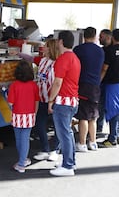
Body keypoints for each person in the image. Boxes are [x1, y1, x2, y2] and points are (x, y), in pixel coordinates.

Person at [19, 39, 60, 161]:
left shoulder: (57, 63)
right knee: (39, 123)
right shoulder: (41, 60)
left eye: (45, 47)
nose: (43, 48)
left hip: (54, 99)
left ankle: (55, 150)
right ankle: (45, 149)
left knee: (57, 125)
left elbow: (58, 83)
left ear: (50, 48)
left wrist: (52, 100)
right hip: (41, 98)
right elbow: (30, 58)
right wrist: (18, 54)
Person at [48, 30, 80, 176]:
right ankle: (69, 161)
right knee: (68, 133)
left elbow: (57, 82)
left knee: (64, 134)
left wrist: (50, 100)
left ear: (60, 42)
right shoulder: (75, 58)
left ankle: (68, 165)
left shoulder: (63, 59)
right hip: (72, 100)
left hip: (63, 101)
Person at [73, 27, 104, 152]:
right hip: (96, 85)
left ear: (83, 36)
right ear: (95, 36)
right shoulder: (100, 51)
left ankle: (82, 143)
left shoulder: (78, 49)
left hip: (83, 84)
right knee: (93, 116)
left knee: (83, 116)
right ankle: (93, 142)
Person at [7, 60, 40, 173]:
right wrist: (34, 113)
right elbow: (36, 101)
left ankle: (22, 162)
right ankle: (23, 161)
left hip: (17, 114)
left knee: (19, 139)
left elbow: (10, 103)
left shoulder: (14, 85)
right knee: (25, 139)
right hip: (30, 114)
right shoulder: (34, 85)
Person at [97, 29, 112, 134]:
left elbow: (105, 68)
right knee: (100, 105)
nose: (99, 39)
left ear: (108, 37)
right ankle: (99, 126)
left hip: (108, 82)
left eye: (101, 37)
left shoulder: (110, 51)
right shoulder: (101, 50)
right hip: (104, 82)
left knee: (106, 106)